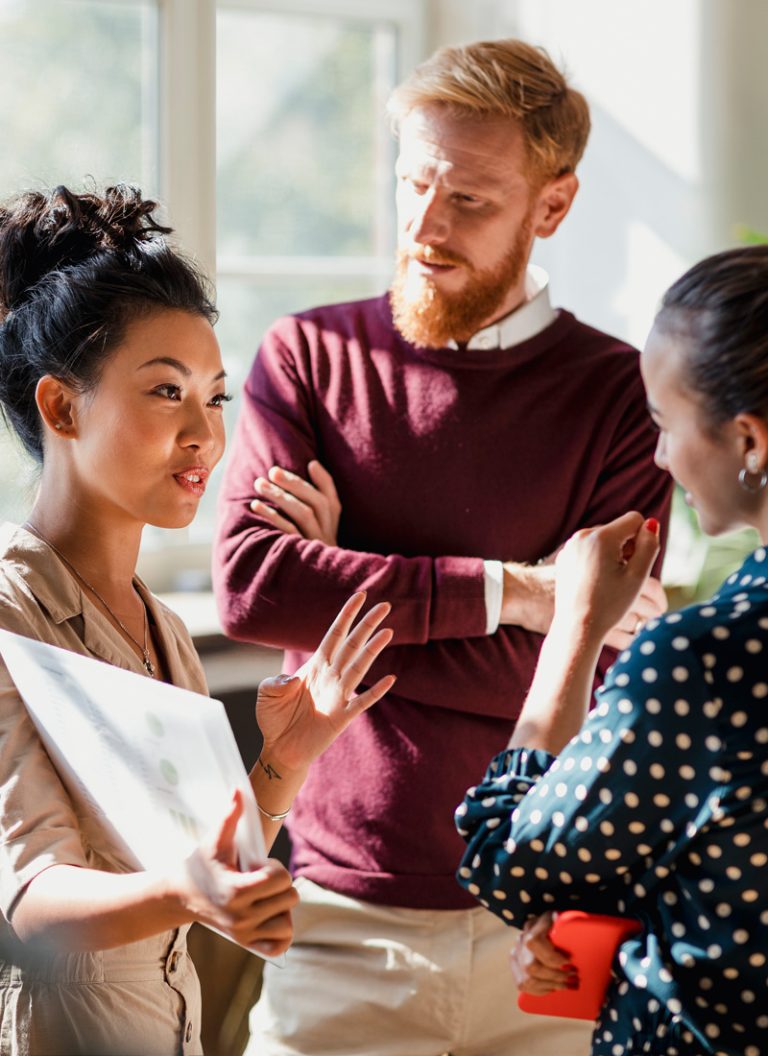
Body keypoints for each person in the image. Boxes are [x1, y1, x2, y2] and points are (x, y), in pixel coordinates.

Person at [213, 39, 672, 1056]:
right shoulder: (307, 358)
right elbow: (252, 588)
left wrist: (344, 592)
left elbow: (595, 673)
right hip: (334, 923)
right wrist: (524, 595)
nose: (424, 226)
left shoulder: (625, 399)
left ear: (550, 208)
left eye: (468, 200)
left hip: (546, 934)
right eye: (414, 183)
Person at [0, 184, 396, 1056]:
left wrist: (284, 762)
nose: (205, 437)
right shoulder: (9, 613)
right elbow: (29, 901)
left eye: (215, 399)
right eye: (166, 392)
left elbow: (205, 871)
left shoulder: (161, 627)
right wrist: (188, 892)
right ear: (61, 408)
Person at [456, 244, 768, 1055]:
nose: (660, 458)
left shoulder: (703, 661)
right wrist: (616, 918)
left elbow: (506, 857)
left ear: (750, 440)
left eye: (665, 425)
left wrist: (575, 626)